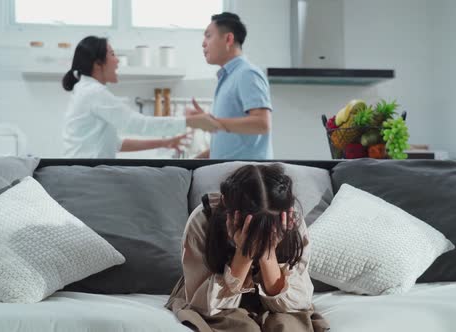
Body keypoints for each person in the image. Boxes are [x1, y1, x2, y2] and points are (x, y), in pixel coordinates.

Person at [166, 164, 329, 331]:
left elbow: (297, 301)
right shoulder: (202, 220)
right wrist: (245, 252)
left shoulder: (289, 220)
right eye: (252, 226)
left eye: (267, 227)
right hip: (213, 293)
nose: (259, 234)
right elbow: (204, 303)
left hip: (275, 289)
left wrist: (267, 253)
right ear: (225, 204)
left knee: (288, 326)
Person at [62, 36, 222, 158]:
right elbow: (138, 124)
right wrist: (190, 122)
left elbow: (116, 143)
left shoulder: (86, 91)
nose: (117, 60)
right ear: (97, 64)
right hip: (86, 175)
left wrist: (165, 142)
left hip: (82, 172)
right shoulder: (94, 93)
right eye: (112, 54)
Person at [189, 12, 274, 160]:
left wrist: (213, 122)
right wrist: (196, 161)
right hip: (233, 174)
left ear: (228, 39)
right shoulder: (229, 78)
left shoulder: (247, 73)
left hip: (248, 177)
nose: (203, 43)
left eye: (208, 36)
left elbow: (262, 123)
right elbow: (233, 142)